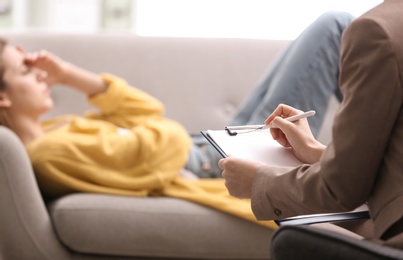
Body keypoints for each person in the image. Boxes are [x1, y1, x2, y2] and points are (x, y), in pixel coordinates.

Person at [0, 11, 353, 229]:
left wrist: (67, 74)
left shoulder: (52, 130)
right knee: (332, 29)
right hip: (213, 162)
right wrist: (155, 132)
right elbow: (162, 149)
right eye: (25, 73)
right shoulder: (51, 153)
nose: (41, 77)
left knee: (328, 29)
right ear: (4, 97)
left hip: (205, 145)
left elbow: (147, 112)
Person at [219, 0, 403, 249]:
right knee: (335, 23)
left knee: (290, 242)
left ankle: (204, 157)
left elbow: (341, 189)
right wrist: (317, 152)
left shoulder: (378, 31)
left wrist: (257, 182)